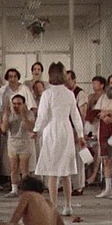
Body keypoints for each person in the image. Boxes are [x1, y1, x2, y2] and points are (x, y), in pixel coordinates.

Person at [32, 62, 86, 216]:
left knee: (52, 172)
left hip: (51, 131)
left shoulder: (47, 94)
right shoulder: (69, 94)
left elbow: (42, 116)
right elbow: (75, 116)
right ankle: (68, 205)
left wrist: (36, 130)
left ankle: (53, 206)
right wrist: (80, 134)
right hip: (66, 131)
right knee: (66, 171)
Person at [1, 94, 35, 197]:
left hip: (25, 142)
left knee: (24, 169)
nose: (16, 106)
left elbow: (31, 128)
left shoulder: (29, 113)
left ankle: (25, 189)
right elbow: (4, 129)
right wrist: (6, 116)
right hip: (13, 143)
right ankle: (14, 189)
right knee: (13, 168)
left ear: (24, 104)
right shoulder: (9, 113)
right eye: (14, 104)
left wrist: (24, 116)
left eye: (19, 104)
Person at [65, 70, 88, 196]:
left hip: (76, 128)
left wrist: (79, 132)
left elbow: (82, 114)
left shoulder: (80, 94)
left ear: (74, 80)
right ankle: (68, 184)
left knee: (78, 158)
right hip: (67, 128)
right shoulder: (65, 93)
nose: (66, 82)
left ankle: (79, 186)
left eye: (68, 80)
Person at [84, 76, 106, 186]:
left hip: (98, 125)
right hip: (89, 125)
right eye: (93, 83)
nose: (94, 86)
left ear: (102, 85)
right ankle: (86, 171)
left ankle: (94, 173)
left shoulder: (105, 97)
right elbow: (86, 110)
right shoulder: (91, 96)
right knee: (84, 147)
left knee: (98, 149)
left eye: (96, 83)